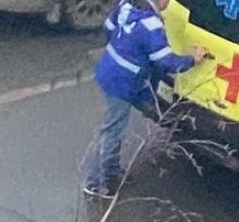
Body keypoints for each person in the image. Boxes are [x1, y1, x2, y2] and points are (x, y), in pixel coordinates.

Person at [82, 0, 207, 198]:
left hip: (110, 71)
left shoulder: (126, 5)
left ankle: (111, 173)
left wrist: (125, 47)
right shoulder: (151, 25)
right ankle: (98, 183)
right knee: (112, 132)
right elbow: (167, 61)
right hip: (123, 84)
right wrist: (193, 58)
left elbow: (108, 28)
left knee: (123, 122)